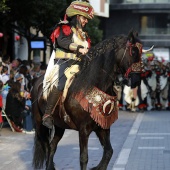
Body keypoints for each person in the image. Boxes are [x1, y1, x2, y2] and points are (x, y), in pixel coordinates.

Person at [42, 0, 94, 129]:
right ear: (77, 16)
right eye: (84, 18)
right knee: (61, 83)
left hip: (80, 64)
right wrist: (79, 49)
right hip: (64, 62)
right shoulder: (64, 27)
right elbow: (62, 42)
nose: (86, 21)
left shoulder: (84, 34)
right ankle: (47, 114)